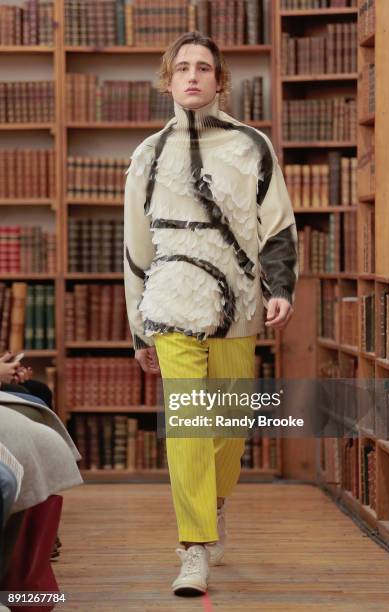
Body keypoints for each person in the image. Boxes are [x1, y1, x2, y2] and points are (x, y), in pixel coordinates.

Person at [124, 31, 298, 597]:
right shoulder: (148, 156)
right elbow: (134, 248)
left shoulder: (252, 146)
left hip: (239, 305)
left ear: (220, 80)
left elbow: (277, 224)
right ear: (168, 80)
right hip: (172, 302)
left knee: (227, 425)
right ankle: (192, 545)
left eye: (204, 68)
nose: (193, 76)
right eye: (182, 68)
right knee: (190, 426)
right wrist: (137, 328)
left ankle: (214, 504)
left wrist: (282, 288)